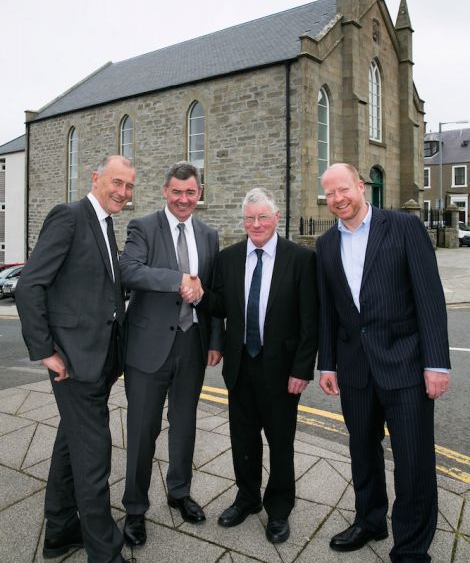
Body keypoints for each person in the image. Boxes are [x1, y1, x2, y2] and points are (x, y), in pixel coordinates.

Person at [316, 163, 450, 562]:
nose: (338, 200)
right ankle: (370, 520)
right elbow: (328, 310)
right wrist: (327, 364)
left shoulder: (403, 227)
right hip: (355, 369)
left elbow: (429, 295)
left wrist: (437, 363)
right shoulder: (325, 244)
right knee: (362, 451)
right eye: (330, 195)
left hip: (406, 364)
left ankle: (410, 546)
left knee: (413, 458)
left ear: (361, 185)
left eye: (344, 190)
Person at [16, 155, 136, 563]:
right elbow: (30, 284)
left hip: (101, 359)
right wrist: (46, 351)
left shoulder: (106, 224)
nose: (122, 192)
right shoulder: (68, 216)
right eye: (116, 182)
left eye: (129, 186)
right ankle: (105, 551)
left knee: (71, 445)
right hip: (73, 362)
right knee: (94, 455)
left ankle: (60, 531)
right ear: (96, 178)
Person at [183, 188, 318, 544]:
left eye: (262, 217)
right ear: (242, 221)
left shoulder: (300, 259)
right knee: (242, 439)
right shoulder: (229, 258)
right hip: (241, 367)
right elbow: (220, 306)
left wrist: (302, 370)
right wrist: (199, 296)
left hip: (282, 370)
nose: (255, 224)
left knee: (281, 442)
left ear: (275, 218)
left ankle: (278, 510)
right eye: (249, 218)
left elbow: (310, 321)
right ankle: (247, 498)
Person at [119, 161, 223, 548]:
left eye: (190, 192)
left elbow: (210, 291)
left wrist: (215, 340)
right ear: (165, 191)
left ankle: (179, 493)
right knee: (143, 429)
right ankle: (134, 508)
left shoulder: (209, 234)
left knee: (185, 425)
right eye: (177, 192)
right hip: (147, 349)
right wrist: (176, 279)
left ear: (200, 194)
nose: (183, 199)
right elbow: (128, 270)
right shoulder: (143, 227)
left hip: (192, 344)